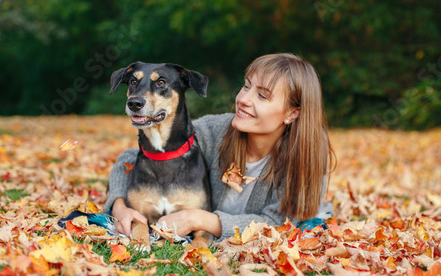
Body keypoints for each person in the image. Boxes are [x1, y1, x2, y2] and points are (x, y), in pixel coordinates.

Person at [104, 53, 335, 242]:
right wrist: (119, 206)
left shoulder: (307, 156)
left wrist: (201, 220)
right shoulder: (217, 131)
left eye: (262, 96)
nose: (244, 99)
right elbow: (132, 158)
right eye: (246, 86)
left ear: (292, 113)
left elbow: (279, 225)